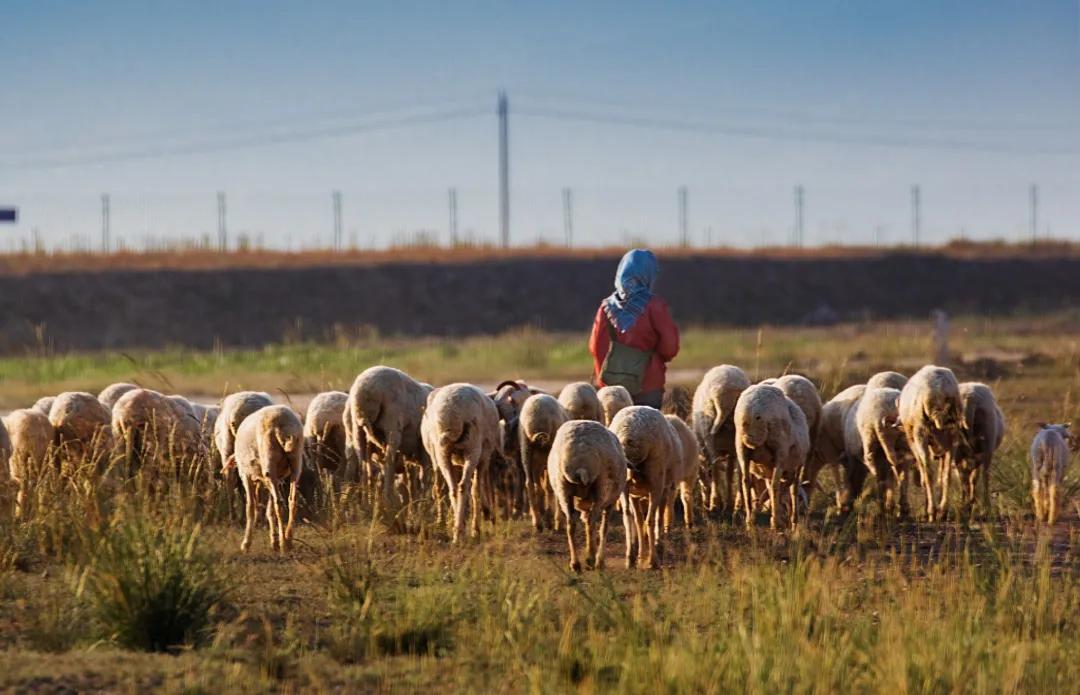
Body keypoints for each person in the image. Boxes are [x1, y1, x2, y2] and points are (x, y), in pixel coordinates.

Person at [588, 248, 679, 409]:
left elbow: (596, 347)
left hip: (612, 388)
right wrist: (656, 360)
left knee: (613, 430)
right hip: (648, 384)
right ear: (649, 274)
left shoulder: (606, 307)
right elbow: (669, 346)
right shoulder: (654, 306)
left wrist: (607, 379)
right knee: (646, 430)